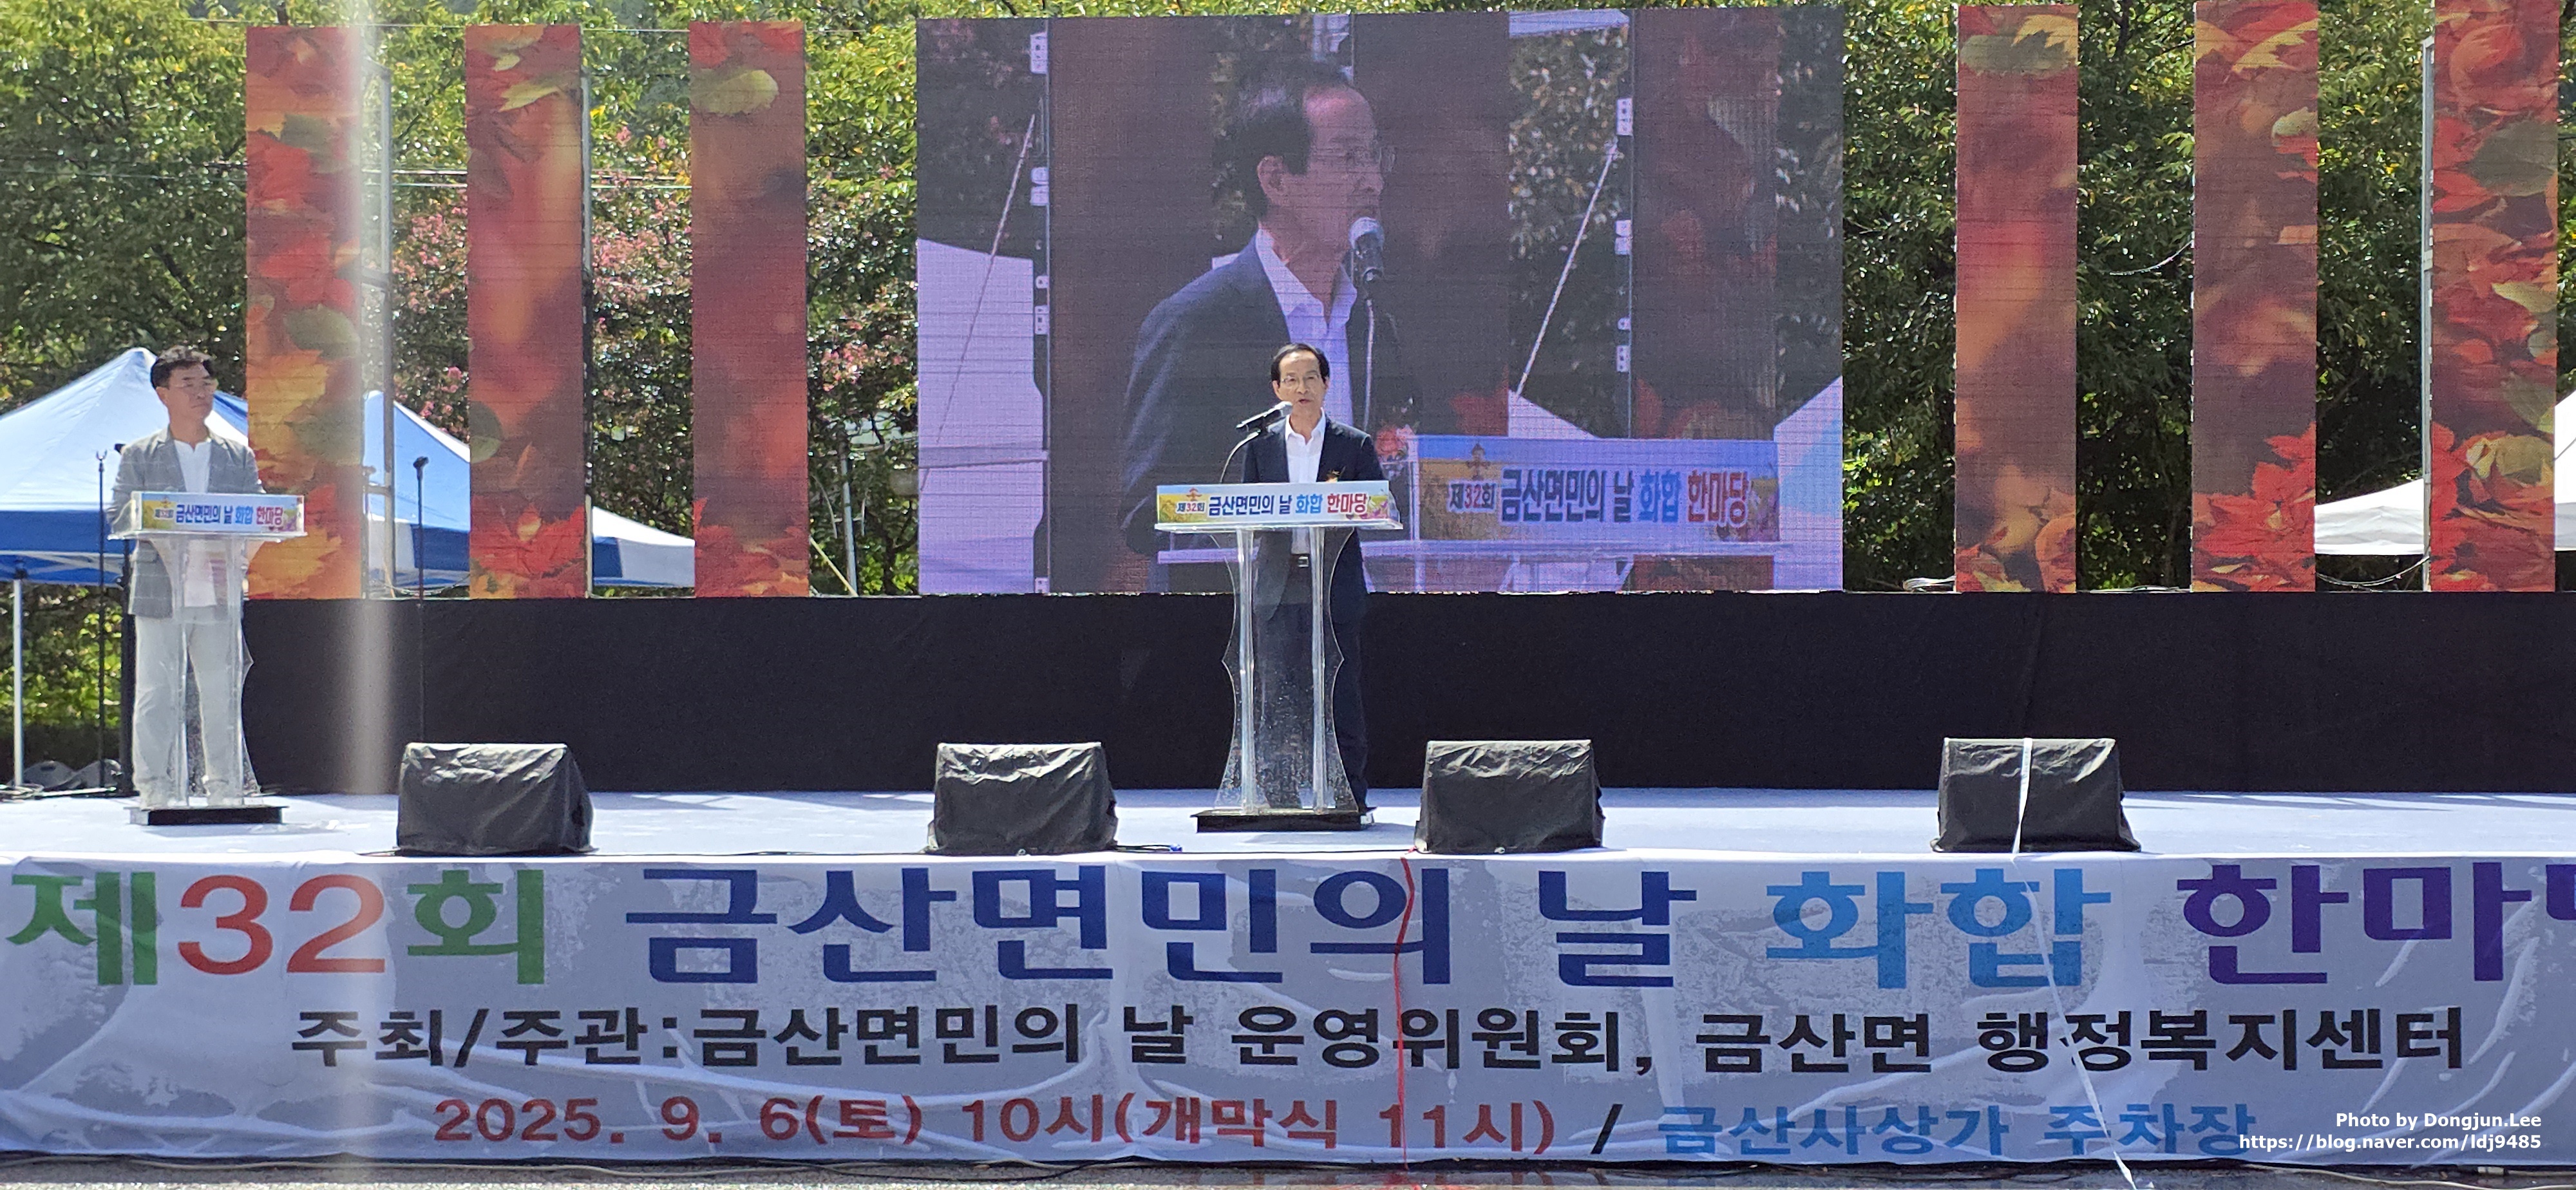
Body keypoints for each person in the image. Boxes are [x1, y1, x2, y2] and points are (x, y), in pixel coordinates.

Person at [1119, 55, 1418, 578]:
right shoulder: (1198, 325)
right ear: (1277, 180)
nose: (1372, 180)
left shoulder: (1373, 323)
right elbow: (1147, 511)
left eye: (1375, 156)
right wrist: (1290, 512)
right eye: (1348, 158)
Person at [111, 346, 266, 808]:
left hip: (218, 590)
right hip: (162, 591)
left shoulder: (237, 455)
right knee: (157, 693)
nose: (201, 393)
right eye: (188, 385)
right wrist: (161, 532)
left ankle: (225, 787)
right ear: (163, 394)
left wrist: (240, 553)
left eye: (206, 384)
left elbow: (260, 514)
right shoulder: (140, 455)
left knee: (221, 693)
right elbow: (119, 515)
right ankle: (155, 787)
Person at [1240, 343, 1381, 810]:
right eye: (1292, 380)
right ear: (1277, 389)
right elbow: (1247, 510)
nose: (1302, 388)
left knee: (1340, 690)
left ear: (1326, 384)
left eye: (1311, 378)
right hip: (1278, 584)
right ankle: (1279, 794)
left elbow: (1376, 505)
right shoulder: (1258, 445)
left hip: (1333, 581)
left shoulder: (1353, 444)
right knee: (1277, 691)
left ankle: (1347, 794)